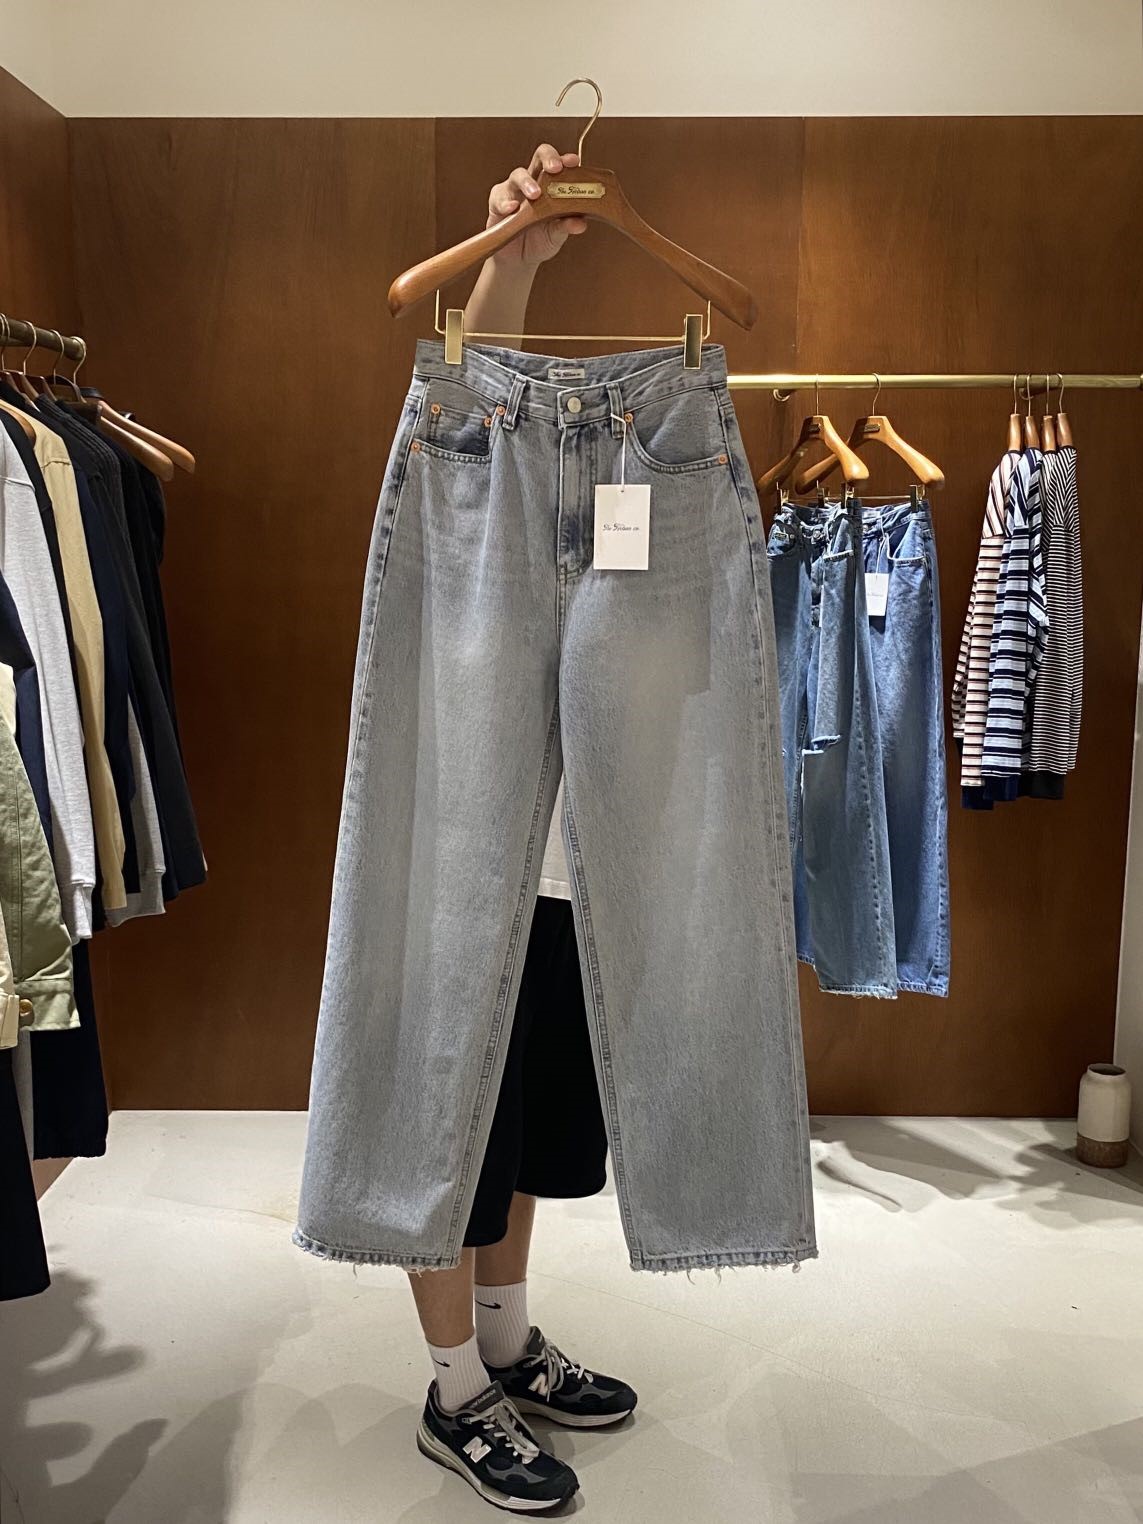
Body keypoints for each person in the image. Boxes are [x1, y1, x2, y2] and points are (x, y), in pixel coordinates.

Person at [410, 144, 637, 1514]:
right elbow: (467, 394)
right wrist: (510, 259)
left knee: (532, 1121)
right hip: (464, 856)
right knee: (449, 1126)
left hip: (566, 859)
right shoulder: (458, 472)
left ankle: (503, 1344)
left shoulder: (628, 466)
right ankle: (454, 1392)